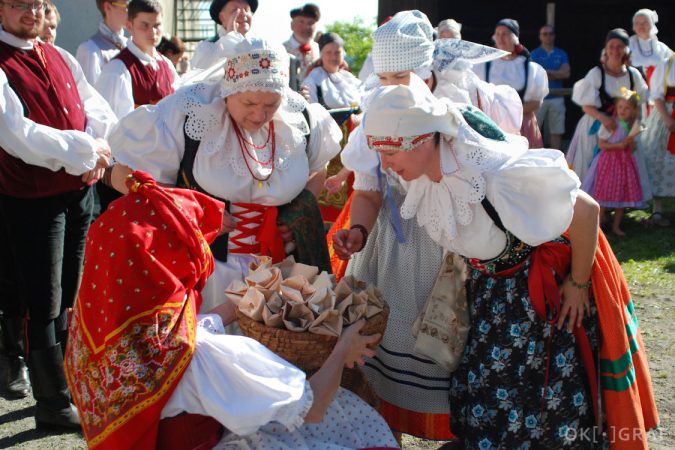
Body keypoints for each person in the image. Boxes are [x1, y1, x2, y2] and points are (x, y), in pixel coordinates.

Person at [349, 81, 659, 449]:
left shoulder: (495, 175)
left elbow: (586, 210)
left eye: (389, 152)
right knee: (485, 396)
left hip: (535, 303)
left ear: (419, 140)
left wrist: (577, 284)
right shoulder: (425, 179)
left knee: (536, 401)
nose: (384, 165)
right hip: (490, 293)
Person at [64, 170, 398, 450]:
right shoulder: (202, 358)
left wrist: (242, 301)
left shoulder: (90, 338)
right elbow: (310, 406)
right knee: (348, 420)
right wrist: (342, 349)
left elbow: (187, 332)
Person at [107, 34, 341, 316]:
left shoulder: (299, 118)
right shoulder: (189, 115)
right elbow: (130, 177)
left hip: (282, 269)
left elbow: (317, 166)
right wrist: (191, 211)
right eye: (249, 103)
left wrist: (296, 212)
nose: (259, 115)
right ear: (228, 91)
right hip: (210, 270)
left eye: (271, 105)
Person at [330, 10, 457, 443]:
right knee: (377, 344)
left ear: (426, 73)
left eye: (401, 76)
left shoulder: (452, 114)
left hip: (443, 240)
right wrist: (360, 232)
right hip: (388, 242)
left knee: (437, 341)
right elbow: (368, 190)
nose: (392, 87)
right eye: (384, 79)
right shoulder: (374, 115)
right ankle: (383, 438)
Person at [0, 0, 116, 429]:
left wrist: (98, 143)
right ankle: (51, 401)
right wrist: (85, 150)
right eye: (18, 5)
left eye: (36, 3)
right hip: (31, 199)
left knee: (71, 295)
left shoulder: (59, 54)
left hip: (78, 193)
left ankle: (70, 384)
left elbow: (95, 106)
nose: (30, 13)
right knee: (42, 302)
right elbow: (17, 134)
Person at [566, 28, 648, 182]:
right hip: (596, 124)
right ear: (606, 48)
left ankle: (618, 199)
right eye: (611, 46)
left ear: (626, 49)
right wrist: (604, 119)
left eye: (619, 46)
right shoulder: (597, 73)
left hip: (623, 127)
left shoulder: (633, 75)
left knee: (621, 164)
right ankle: (590, 201)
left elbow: (639, 103)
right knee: (591, 162)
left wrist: (633, 128)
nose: (615, 50)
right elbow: (586, 105)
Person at [95, 0, 179, 119]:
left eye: (157, 25)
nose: (152, 32)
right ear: (130, 26)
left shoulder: (166, 64)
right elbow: (111, 124)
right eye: (144, 25)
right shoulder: (117, 69)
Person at [473, 18, 549, 148]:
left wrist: (510, 115)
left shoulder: (529, 68)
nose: (501, 38)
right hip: (491, 124)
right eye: (498, 34)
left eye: (505, 34)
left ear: (514, 37)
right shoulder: (483, 66)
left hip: (522, 125)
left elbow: (536, 103)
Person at [582, 88, 647, 236]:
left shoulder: (631, 127)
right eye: (620, 107)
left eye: (627, 108)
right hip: (609, 163)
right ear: (616, 108)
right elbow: (601, 145)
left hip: (624, 164)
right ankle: (597, 226)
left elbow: (633, 148)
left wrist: (630, 142)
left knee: (622, 193)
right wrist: (619, 145)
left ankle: (616, 226)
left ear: (633, 111)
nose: (623, 111)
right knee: (604, 193)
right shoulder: (610, 125)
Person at [640, 54, 675, 227]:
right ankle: (657, 209)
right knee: (658, 160)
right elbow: (657, 96)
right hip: (667, 116)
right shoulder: (667, 63)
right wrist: (668, 119)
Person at [531, 25, 570, 150]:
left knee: (557, 131)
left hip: (557, 97)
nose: (548, 36)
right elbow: (534, 75)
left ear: (554, 35)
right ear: (540, 36)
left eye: (551, 33)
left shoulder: (561, 53)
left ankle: (554, 158)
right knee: (534, 131)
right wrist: (556, 73)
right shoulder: (534, 54)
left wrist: (545, 72)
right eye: (545, 34)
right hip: (538, 98)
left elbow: (566, 73)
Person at [190, 0, 257, 70]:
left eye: (246, 9)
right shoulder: (206, 48)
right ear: (222, 17)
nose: (243, 14)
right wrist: (231, 38)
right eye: (235, 10)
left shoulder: (258, 45)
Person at [76, 0, 129, 86]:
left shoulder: (130, 44)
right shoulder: (90, 50)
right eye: (127, 6)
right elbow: (89, 94)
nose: (133, 11)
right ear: (108, 7)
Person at [303, 32, 362, 108]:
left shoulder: (349, 78)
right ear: (321, 54)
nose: (333, 57)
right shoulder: (313, 80)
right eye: (328, 52)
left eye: (337, 52)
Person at [629, 9, 672, 96]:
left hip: (660, 95)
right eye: (637, 23)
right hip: (634, 96)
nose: (641, 26)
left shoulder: (662, 48)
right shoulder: (627, 47)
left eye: (645, 22)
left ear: (652, 25)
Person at [284, 3, 320, 88]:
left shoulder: (319, 49)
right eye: (301, 22)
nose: (306, 27)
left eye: (310, 23)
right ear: (292, 25)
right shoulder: (282, 50)